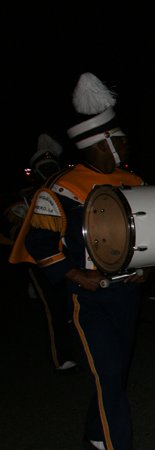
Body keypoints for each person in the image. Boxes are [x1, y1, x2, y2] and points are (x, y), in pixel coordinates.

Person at [10, 73, 153, 450]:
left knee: (116, 375)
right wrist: (74, 274)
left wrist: (148, 265)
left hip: (129, 295)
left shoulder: (135, 184)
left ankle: (95, 430)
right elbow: (38, 241)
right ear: (101, 144)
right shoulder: (61, 189)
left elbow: (145, 237)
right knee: (109, 376)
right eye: (120, 141)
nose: (126, 148)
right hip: (90, 300)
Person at [4, 134, 76, 372]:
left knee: (71, 306)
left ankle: (62, 347)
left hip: (68, 256)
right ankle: (61, 358)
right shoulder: (26, 196)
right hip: (38, 259)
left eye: (52, 167)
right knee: (54, 307)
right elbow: (15, 226)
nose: (49, 171)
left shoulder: (66, 190)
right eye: (44, 168)